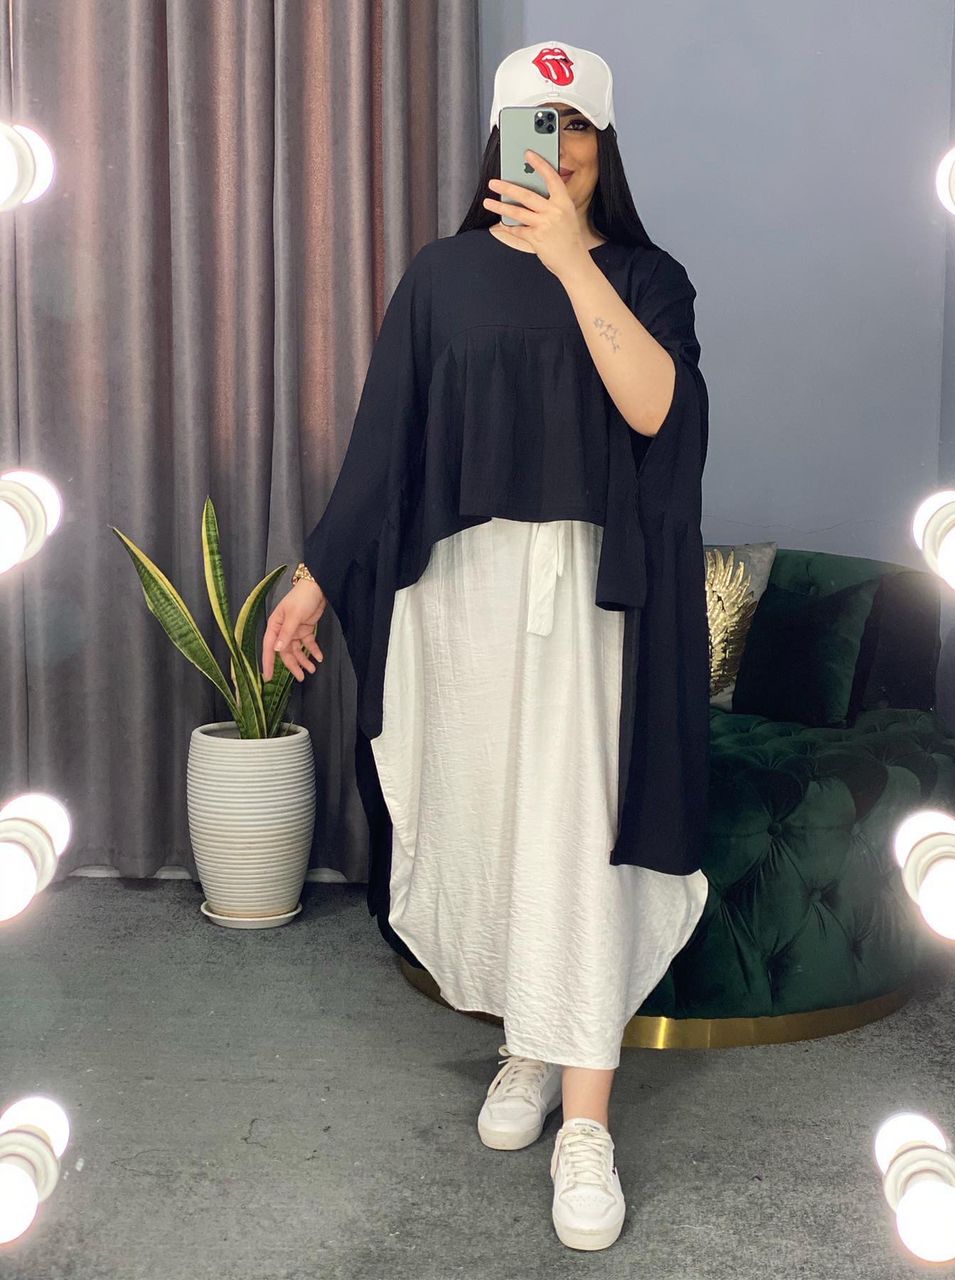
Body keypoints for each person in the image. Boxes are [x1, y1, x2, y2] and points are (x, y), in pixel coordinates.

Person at [261, 41, 711, 1253]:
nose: (556, 148)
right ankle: (529, 1040)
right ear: (498, 142)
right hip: (457, 595)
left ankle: (586, 1121)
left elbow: (658, 410)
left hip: (588, 600)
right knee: (492, 824)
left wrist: (568, 257)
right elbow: (382, 441)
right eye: (534, 124)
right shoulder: (442, 277)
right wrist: (316, 572)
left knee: (577, 838)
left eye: (577, 127)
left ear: (604, 146)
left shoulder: (646, 277)